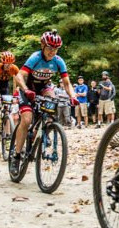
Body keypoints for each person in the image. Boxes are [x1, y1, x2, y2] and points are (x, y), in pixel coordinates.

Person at [11, 31, 78, 172]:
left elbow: (66, 83)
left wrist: (73, 96)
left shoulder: (58, 61)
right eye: (49, 48)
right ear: (42, 45)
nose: (52, 51)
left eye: (56, 49)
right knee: (27, 119)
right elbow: (19, 76)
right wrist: (25, 89)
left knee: (52, 102)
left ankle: (44, 131)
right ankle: (16, 156)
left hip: (44, 87)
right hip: (27, 87)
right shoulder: (35, 57)